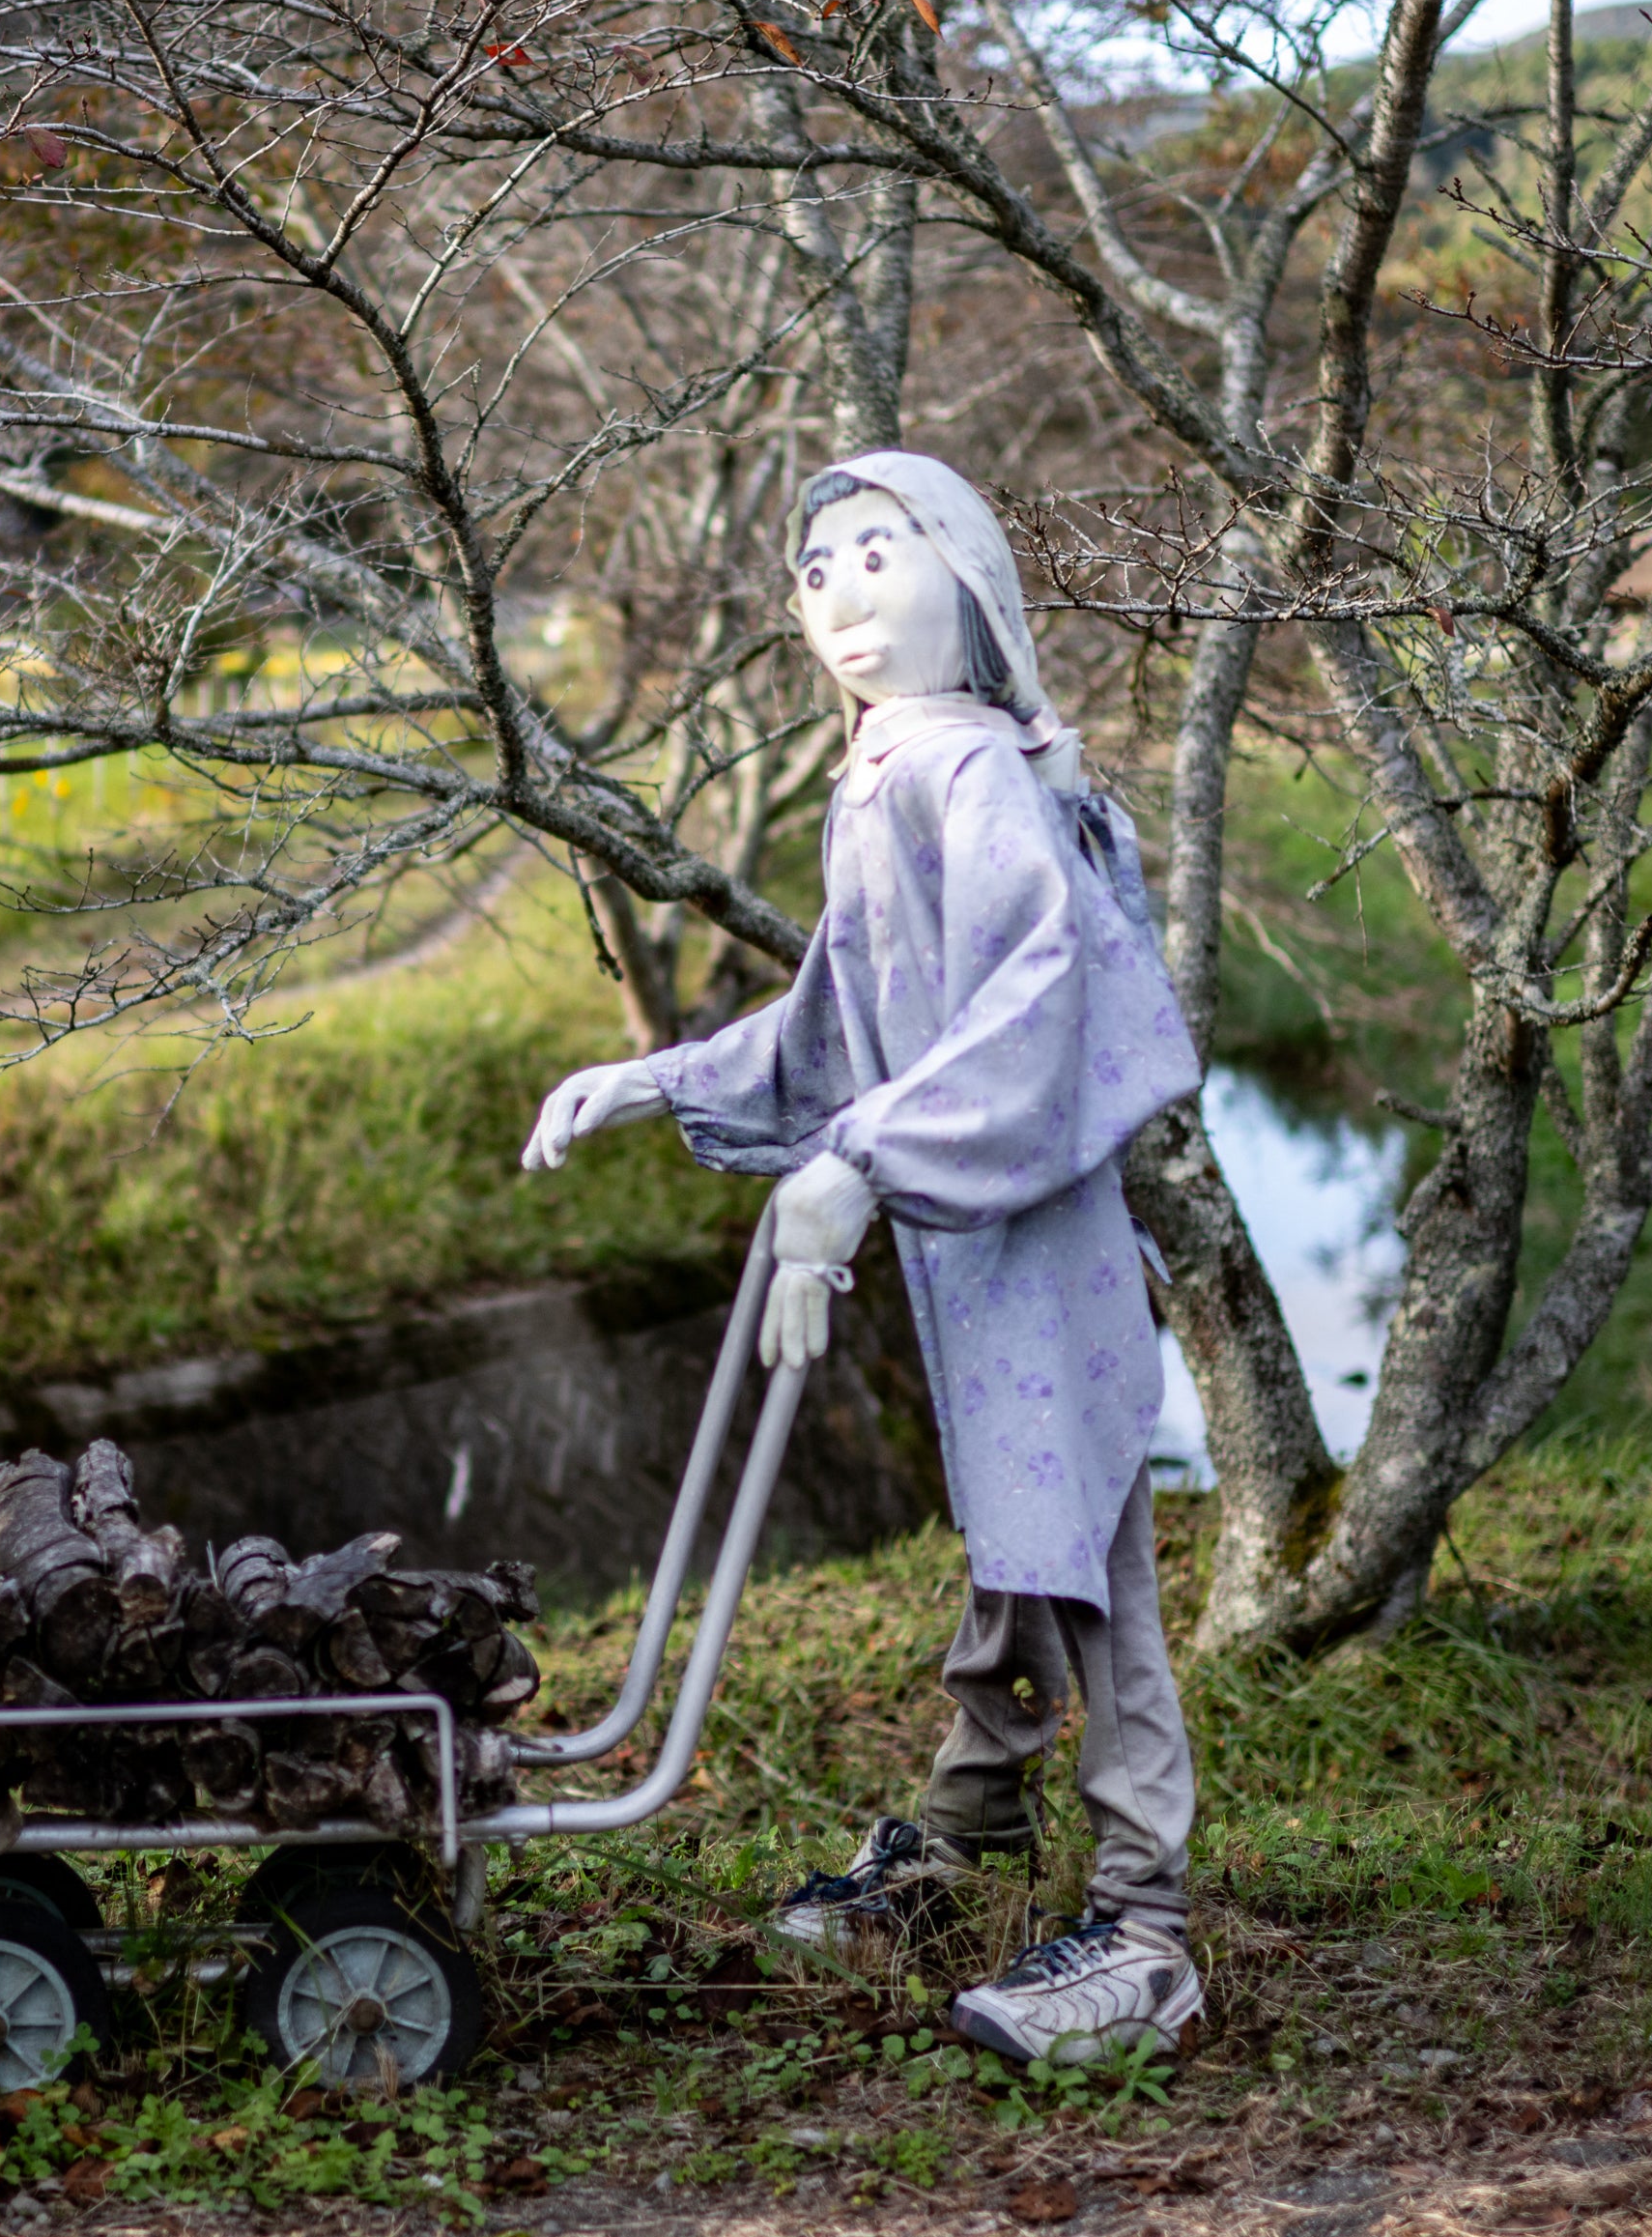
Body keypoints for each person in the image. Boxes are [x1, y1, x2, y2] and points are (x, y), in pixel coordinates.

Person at [519, 450, 1211, 2064]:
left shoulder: (971, 776)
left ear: (963, 578)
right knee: (1008, 1542)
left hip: (1035, 1241)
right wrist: (656, 1077)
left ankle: (1149, 1930)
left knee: (1091, 1572)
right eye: (815, 569)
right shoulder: (887, 777)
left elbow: (1031, 1012)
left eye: (878, 556)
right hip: (975, 1250)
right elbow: (842, 1021)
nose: (838, 593)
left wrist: (861, 1166)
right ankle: (966, 1834)